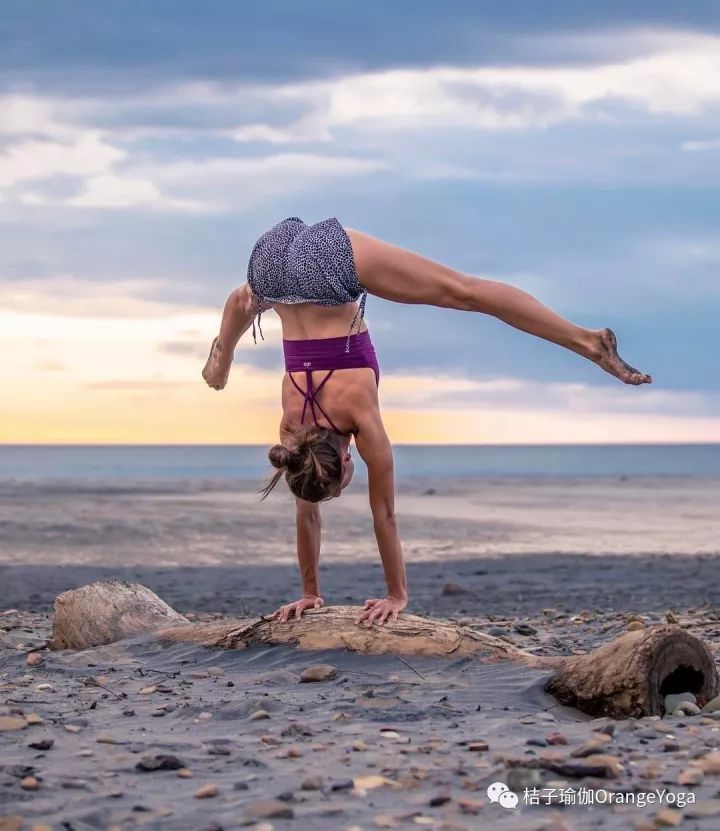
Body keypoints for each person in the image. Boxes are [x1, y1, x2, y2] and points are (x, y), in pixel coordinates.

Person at [202, 216, 651, 627]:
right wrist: (310, 593)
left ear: (346, 458)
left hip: (324, 267)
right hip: (270, 265)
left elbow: (385, 515)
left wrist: (396, 595)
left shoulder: (358, 415)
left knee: (463, 292)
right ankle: (222, 353)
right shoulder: (292, 428)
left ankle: (589, 342)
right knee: (247, 299)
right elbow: (308, 508)